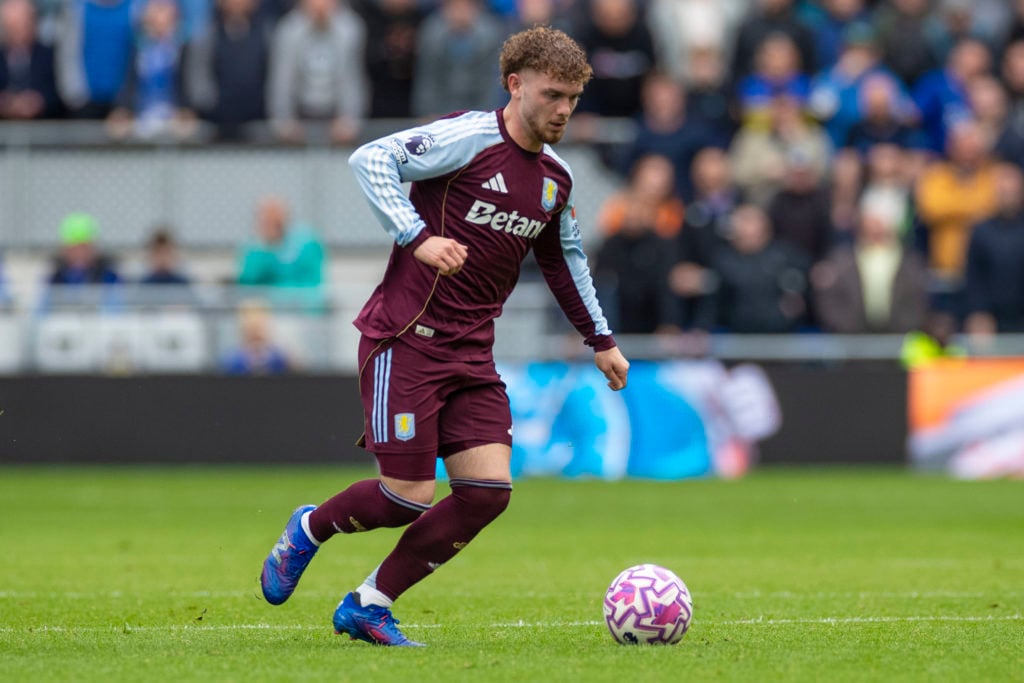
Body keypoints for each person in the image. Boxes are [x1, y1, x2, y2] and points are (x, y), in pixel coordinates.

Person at [258, 26, 630, 647]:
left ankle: (369, 602)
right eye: (552, 95)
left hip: (471, 352)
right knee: (406, 496)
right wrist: (416, 235)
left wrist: (601, 338)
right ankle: (309, 530)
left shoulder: (556, 180)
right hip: (406, 338)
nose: (564, 110)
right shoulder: (467, 139)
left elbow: (565, 260)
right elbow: (371, 158)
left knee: (487, 492)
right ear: (515, 86)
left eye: (573, 98)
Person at [0, 0, 61, 120]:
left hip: (42, 129)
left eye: (24, 24)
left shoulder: (49, 56)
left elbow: (60, 95)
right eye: (14, 27)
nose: (20, 32)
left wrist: (38, 102)